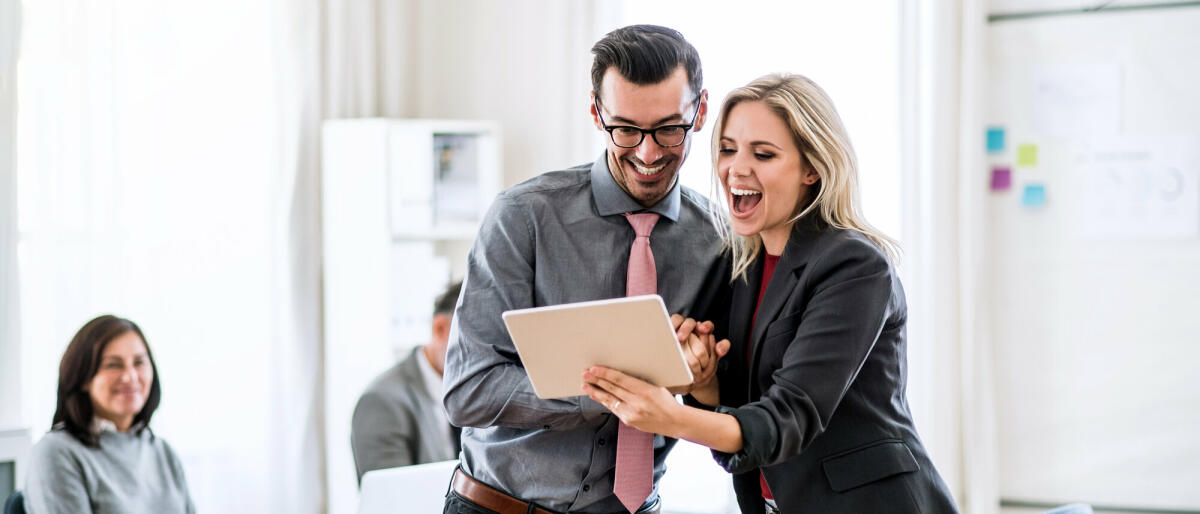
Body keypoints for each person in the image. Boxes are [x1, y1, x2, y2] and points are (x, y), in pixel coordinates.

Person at [582, 74, 960, 513]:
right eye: (727, 149)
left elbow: (789, 417)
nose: (736, 168)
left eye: (763, 154)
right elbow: (741, 407)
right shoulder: (740, 263)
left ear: (812, 168)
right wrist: (705, 382)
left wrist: (669, 417)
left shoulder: (854, 266)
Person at [442, 24, 727, 514]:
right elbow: (468, 389)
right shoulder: (523, 216)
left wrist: (703, 377)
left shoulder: (718, 240)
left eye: (668, 128)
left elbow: (716, 408)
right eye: (626, 129)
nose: (648, 152)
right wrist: (610, 394)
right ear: (596, 113)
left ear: (699, 112)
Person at [23, 315, 195, 514]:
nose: (130, 376)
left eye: (139, 362)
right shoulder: (56, 452)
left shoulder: (163, 452)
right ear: (83, 377)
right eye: (114, 365)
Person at [351, 281, 463, 483]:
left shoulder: (474, 395)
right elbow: (390, 500)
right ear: (439, 328)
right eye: (476, 339)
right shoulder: (382, 401)